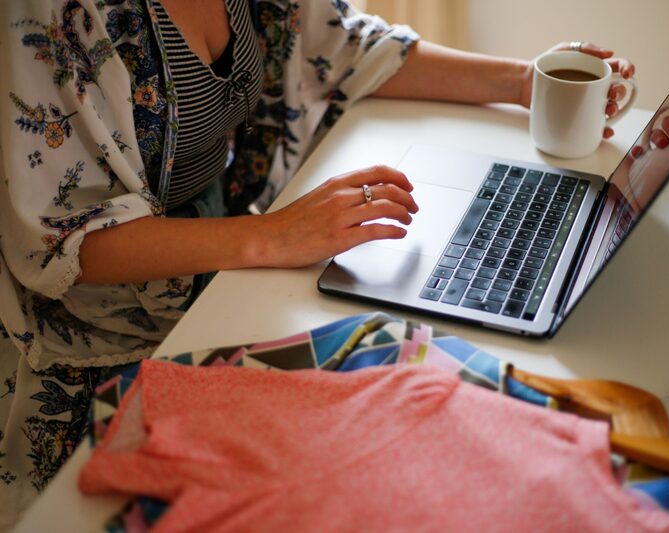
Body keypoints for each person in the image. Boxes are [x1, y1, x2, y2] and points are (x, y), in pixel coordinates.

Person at [0, 0, 635, 526]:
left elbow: (350, 45)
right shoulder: (44, 12)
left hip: (220, 272)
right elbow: (62, 237)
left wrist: (525, 82)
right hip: (92, 330)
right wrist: (271, 238)